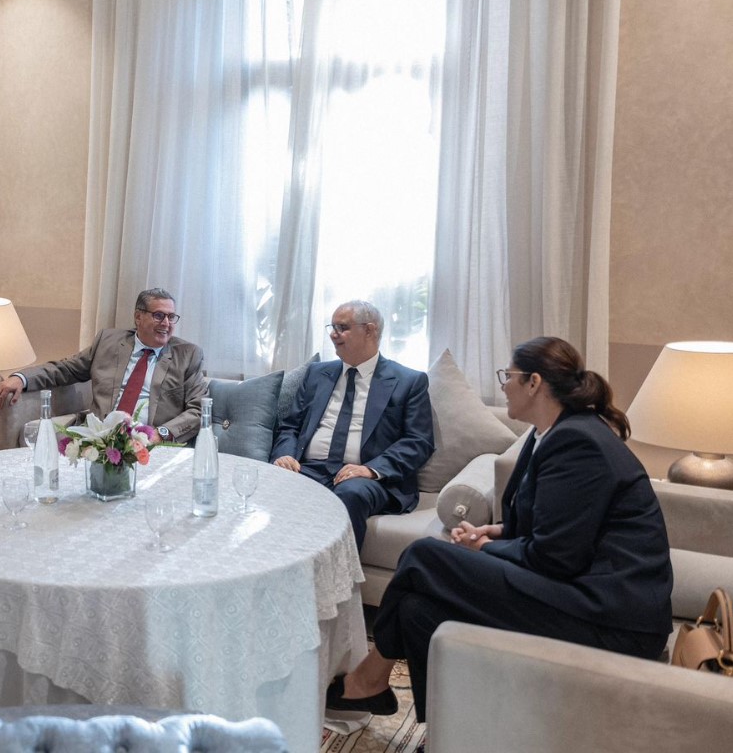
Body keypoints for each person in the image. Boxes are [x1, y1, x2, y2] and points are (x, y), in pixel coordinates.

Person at [325, 336, 673, 735]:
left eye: (509, 376)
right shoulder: (550, 435)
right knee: (417, 609)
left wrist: (488, 547)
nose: (504, 385)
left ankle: (369, 678)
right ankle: (450, 733)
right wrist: (497, 531)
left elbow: (557, 556)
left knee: (423, 557)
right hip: (578, 591)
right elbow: (560, 526)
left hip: (611, 619)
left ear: (534, 382)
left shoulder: (579, 442)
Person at [268, 300, 435, 549]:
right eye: (332, 327)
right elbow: (290, 425)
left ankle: (336, 573)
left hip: (367, 478)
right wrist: (284, 455)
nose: (333, 334)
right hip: (310, 468)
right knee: (271, 482)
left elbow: (419, 441)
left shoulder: (408, 381)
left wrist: (371, 469)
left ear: (369, 330)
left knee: (350, 493)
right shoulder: (317, 374)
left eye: (342, 327)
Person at [0, 288, 208, 444]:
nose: (166, 324)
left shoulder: (188, 355)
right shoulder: (108, 342)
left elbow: (198, 410)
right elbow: (65, 369)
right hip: (99, 438)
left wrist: (159, 434)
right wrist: (21, 378)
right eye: (159, 316)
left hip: (150, 441)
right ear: (138, 317)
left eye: (171, 317)